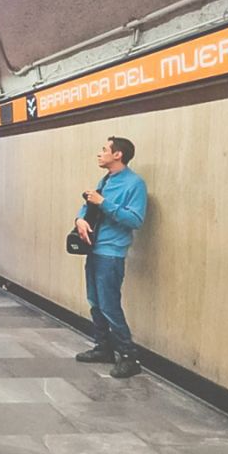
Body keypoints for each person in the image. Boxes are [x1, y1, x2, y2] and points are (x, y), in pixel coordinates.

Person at [73, 136, 148, 379]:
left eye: (104, 149)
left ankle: (129, 356)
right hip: (94, 249)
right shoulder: (106, 179)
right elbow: (89, 206)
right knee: (94, 300)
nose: (99, 153)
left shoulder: (134, 184)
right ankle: (103, 347)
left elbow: (135, 220)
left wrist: (104, 203)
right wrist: (80, 220)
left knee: (109, 304)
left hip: (111, 252)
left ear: (118, 155)